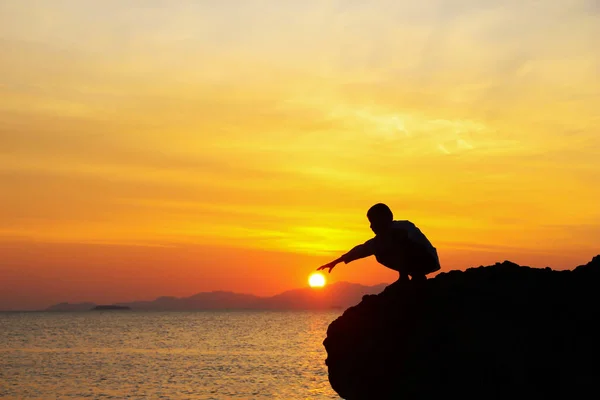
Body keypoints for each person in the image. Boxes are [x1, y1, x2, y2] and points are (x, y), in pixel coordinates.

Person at [317, 203, 440, 283]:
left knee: (393, 241)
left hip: (427, 260)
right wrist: (336, 262)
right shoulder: (380, 240)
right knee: (379, 253)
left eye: (373, 222)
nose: (371, 226)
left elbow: (409, 245)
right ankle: (414, 275)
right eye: (370, 222)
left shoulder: (402, 227)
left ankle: (406, 277)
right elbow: (361, 249)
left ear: (385, 219)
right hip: (417, 262)